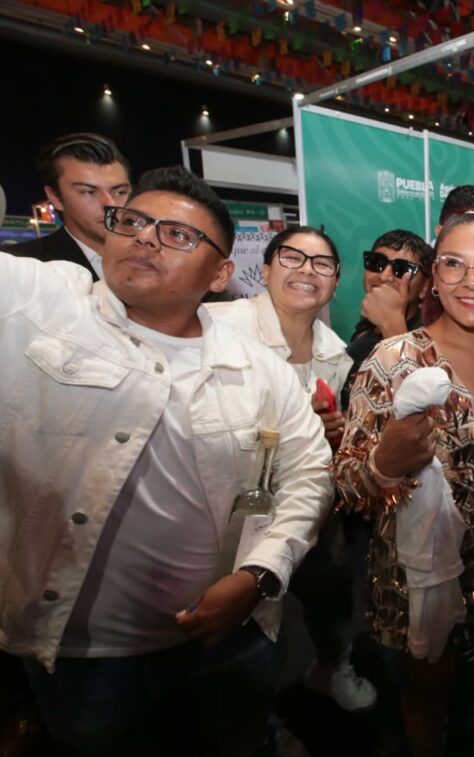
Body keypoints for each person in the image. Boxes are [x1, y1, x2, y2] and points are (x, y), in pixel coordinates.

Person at [0, 166, 333, 757]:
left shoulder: (258, 369)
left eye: (178, 235)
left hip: (229, 637)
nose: (146, 238)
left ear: (219, 273)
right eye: (132, 222)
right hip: (83, 655)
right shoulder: (38, 304)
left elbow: (309, 474)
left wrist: (259, 575)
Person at [334, 214, 474, 757]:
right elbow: (347, 485)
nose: (472, 281)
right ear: (432, 279)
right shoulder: (393, 359)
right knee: (426, 709)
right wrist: (385, 463)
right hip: (416, 571)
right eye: (454, 264)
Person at [206, 227, 377, 712]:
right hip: (226, 508)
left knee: (330, 594)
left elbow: (321, 440)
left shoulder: (333, 352)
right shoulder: (218, 326)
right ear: (264, 270)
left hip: (305, 502)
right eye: (292, 258)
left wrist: (330, 430)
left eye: (322, 264)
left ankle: (330, 667)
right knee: (238, 624)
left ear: (335, 283)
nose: (307, 270)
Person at [9, 132, 131, 280]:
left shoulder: (153, 259)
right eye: (89, 192)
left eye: (120, 192)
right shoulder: (19, 268)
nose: (110, 203)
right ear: (55, 197)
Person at [343, 229, 433, 409]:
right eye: (377, 262)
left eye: (403, 269)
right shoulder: (363, 333)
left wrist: (391, 324)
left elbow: (423, 408)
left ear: (425, 287)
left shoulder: (432, 340)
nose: (384, 276)